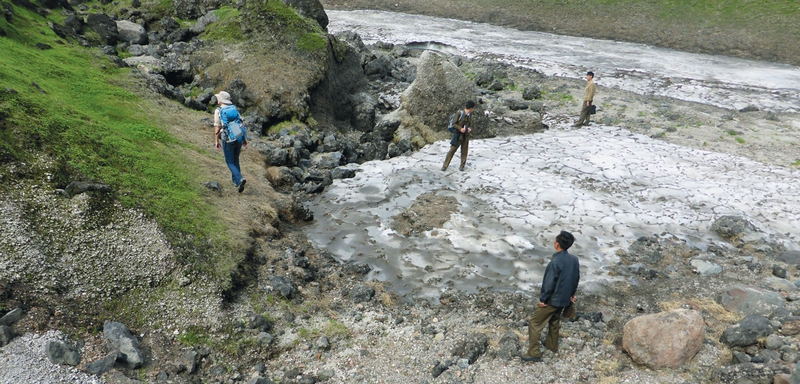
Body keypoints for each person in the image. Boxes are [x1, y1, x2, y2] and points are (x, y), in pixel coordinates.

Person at [521, 230, 581, 363]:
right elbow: (575, 278)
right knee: (554, 321)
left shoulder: (555, 262)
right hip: (564, 300)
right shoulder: (574, 260)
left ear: (557, 244)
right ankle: (552, 346)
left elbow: (549, 284)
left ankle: (533, 352)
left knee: (535, 323)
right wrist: (572, 294)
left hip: (553, 300)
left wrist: (543, 299)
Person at [214, 91, 248, 193]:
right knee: (235, 158)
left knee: (229, 161)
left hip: (228, 138)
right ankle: (236, 181)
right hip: (238, 135)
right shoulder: (234, 108)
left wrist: (216, 141)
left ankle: (239, 178)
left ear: (220, 100)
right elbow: (240, 123)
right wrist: (244, 139)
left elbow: (217, 127)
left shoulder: (219, 111)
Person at [441, 100, 475, 172]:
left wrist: (468, 128)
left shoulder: (469, 116)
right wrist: (460, 129)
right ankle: (445, 165)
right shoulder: (459, 113)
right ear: (471, 108)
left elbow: (468, 124)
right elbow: (454, 124)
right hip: (458, 136)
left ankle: (462, 166)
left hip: (465, 136)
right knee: (452, 150)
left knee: (464, 151)